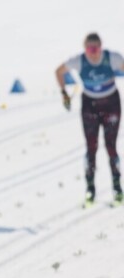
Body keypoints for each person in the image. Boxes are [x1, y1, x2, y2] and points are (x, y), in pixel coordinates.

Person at [56, 32, 123, 204]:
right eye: (89, 49)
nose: (93, 52)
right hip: (89, 105)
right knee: (91, 147)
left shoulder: (112, 58)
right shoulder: (79, 61)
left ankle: (117, 187)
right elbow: (59, 71)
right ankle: (90, 189)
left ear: (101, 47)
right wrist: (64, 94)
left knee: (110, 146)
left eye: (96, 48)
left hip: (111, 104)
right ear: (85, 49)